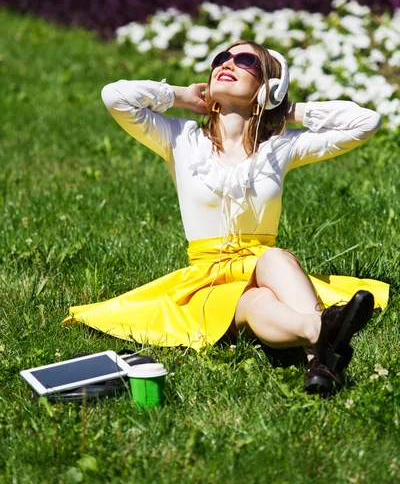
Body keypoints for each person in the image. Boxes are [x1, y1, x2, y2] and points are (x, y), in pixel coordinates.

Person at [64, 41, 389, 395]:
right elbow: (115, 96)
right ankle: (322, 335)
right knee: (254, 302)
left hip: (266, 265)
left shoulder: (280, 145)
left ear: (268, 86)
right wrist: (179, 97)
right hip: (208, 276)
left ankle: (318, 356)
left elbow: (366, 122)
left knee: (276, 257)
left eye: (245, 60)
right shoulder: (180, 138)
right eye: (221, 59)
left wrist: (283, 109)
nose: (228, 64)